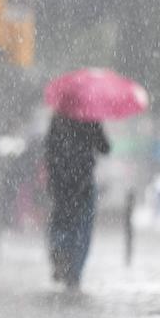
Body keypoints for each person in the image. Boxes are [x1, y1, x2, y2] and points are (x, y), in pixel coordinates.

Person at [44, 113, 110, 289]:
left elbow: (49, 150)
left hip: (61, 182)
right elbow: (105, 148)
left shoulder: (59, 118)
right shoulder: (91, 118)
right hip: (83, 183)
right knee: (82, 228)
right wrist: (94, 130)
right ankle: (74, 272)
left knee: (61, 221)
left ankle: (60, 250)